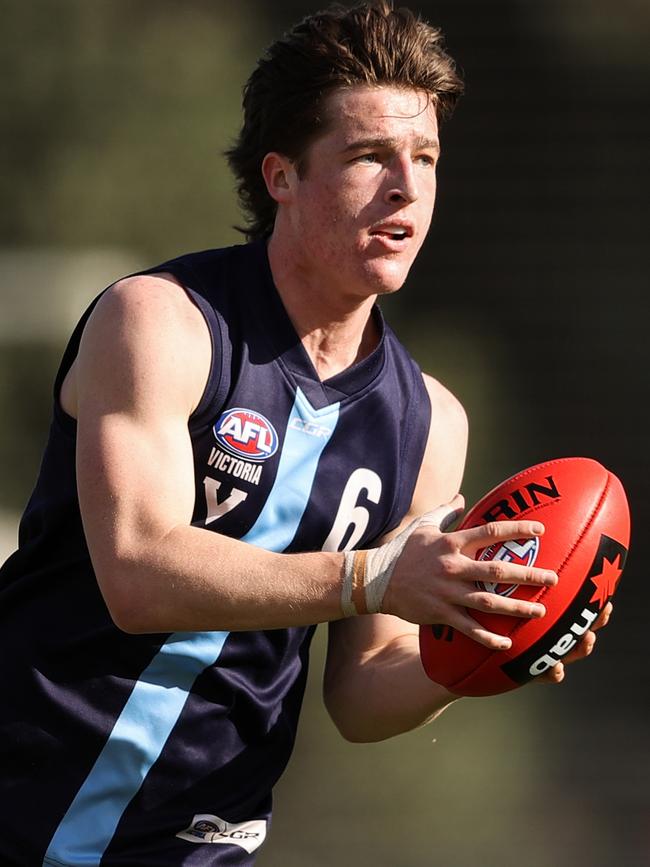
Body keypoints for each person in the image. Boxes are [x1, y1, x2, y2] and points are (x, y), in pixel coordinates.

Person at [0, 1, 610, 864]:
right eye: (370, 156)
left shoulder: (430, 421)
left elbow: (361, 694)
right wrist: (372, 576)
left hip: (198, 843)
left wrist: (478, 653)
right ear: (280, 175)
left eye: (426, 157)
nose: (407, 185)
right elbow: (137, 573)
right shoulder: (161, 323)